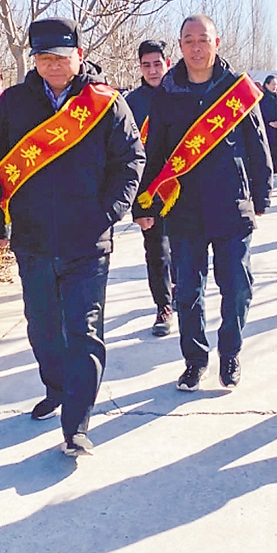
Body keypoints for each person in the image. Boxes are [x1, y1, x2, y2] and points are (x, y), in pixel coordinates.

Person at [0, 17, 144, 457]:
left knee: (84, 330)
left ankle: (77, 424)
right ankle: (56, 387)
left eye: (60, 57)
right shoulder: (14, 103)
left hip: (87, 241)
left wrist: (107, 213)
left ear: (79, 55)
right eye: (43, 58)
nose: (52, 65)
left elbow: (131, 160)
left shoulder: (106, 103)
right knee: (42, 328)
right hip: (34, 239)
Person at [134, 14, 272, 392]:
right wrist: (145, 204)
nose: (196, 47)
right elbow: (155, 152)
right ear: (180, 45)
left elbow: (257, 144)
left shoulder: (237, 90)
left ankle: (230, 353)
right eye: (189, 40)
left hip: (231, 204)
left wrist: (261, 194)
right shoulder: (167, 94)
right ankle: (195, 360)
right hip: (184, 209)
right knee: (188, 293)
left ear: (217, 42)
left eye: (203, 39)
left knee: (238, 286)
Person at [126, 40, 176, 336]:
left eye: (158, 64)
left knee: (183, 249)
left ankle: (180, 292)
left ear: (167, 63)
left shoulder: (181, 94)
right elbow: (126, 154)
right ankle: (163, 306)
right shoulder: (132, 103)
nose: (153, 70)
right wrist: (136, 205)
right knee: (157, 252)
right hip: (149, 190)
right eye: (146, 65)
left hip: (182, 186)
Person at [260, 74, 277, 183]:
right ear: (266, 85)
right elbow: (262, 114)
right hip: (268, 129)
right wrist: (269, 122)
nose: (274, 87)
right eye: (272, 84)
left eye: (276, 84)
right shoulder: (262, 98)